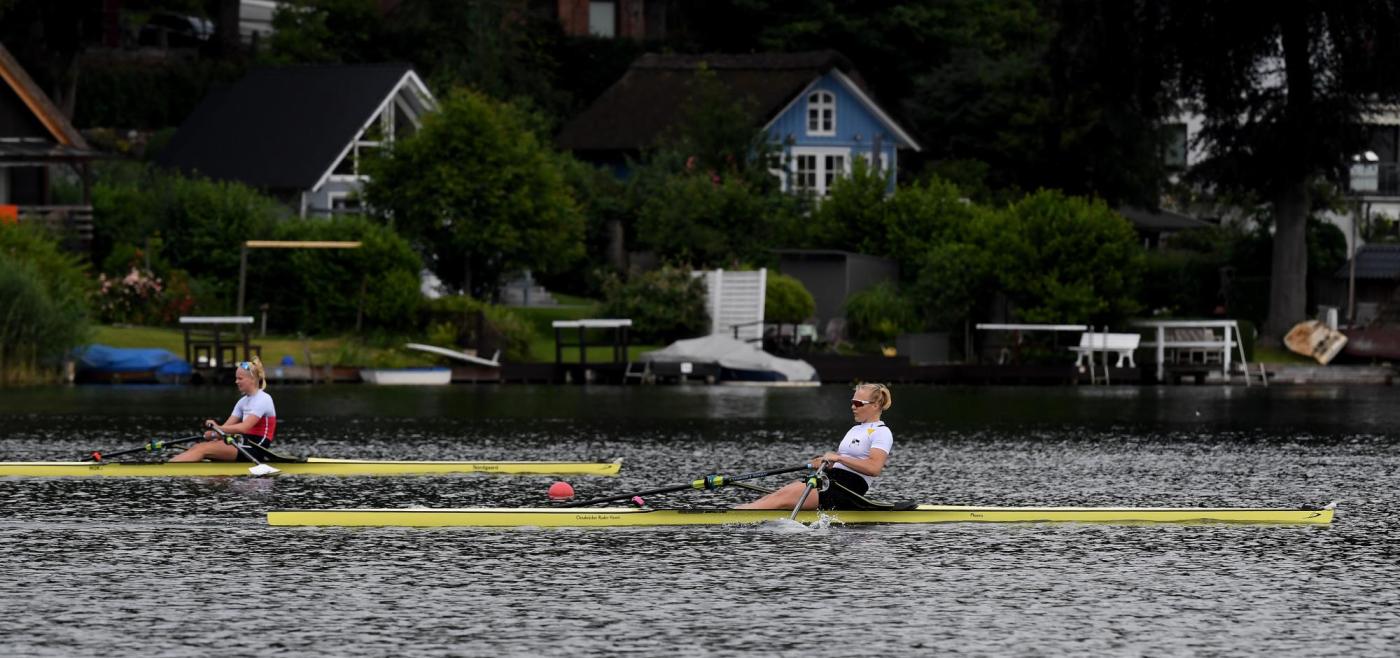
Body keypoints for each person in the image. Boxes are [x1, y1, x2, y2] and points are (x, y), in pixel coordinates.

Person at [736, 382, 893, 510]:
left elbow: (874, 468)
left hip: (848, 489)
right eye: (852, 402)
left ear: (875, 405)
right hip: (830, 479)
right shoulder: (855, 429)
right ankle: (741, 511)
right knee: (778, 494)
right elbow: (845, 461)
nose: (853, 407)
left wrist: (839, 458)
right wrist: (829, 463)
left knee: (783, 497)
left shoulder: (881, 432)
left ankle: (738, 516)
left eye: (858, 403)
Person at [170, 357, 278, 462]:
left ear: (253, 379)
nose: (236, 382)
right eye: (236, 378)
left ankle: (169, 470)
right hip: (242, 442)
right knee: (198, 446)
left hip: (257, 448)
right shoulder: (242, 402)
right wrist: (214, 434)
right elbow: (225, 429)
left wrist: (217, 428)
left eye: (240, 378)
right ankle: (169, 466)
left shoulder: (264, 399)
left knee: (204, 449)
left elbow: (244, 427)